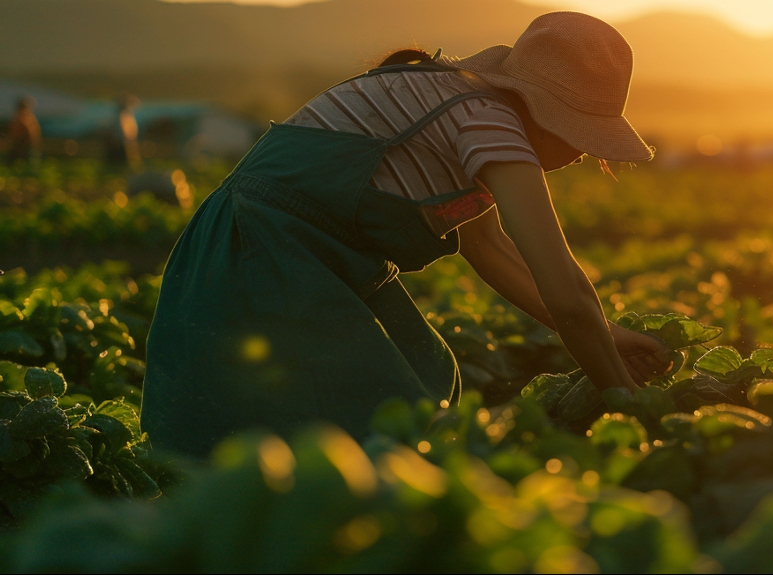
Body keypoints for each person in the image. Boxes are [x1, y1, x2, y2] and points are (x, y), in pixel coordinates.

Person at [140, 12, 672, 457]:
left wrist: (610, 335)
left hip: (297, 253)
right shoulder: (487, 121)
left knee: (418, 384)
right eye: (579, 135)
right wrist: (626, 399)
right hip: (265, 252)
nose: (582, 154)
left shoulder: (464, 102)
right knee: (369, 430)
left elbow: (491, 251)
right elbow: (566, 291)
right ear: (542, 113)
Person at [105, 95, 141, 170]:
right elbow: (123, 131)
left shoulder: (124, 114)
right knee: (122, 163)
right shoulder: (123, 114)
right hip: (122, 142)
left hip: (123, 142)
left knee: (120, 164)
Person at [6, 96, 41, 166]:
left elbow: (15, 134)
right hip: (24, 148)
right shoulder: (29, 118)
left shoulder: (24, 119)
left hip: (22, 149)